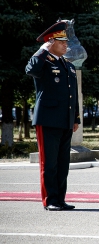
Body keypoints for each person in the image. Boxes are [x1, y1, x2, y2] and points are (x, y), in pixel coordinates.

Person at [25, 21, 80, 211]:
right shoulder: (43, 62)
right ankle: (50, 200)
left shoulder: (68, 66)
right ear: (50, 43)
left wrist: (76, 118)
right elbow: (30, 70)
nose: (66, 45)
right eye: (61, 42)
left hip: (65, 120)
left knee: (62, 163)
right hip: (48, 120)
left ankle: (60, 199)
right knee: (49, 163)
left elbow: (73, 95)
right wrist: (42, 51)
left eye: (66, 42)